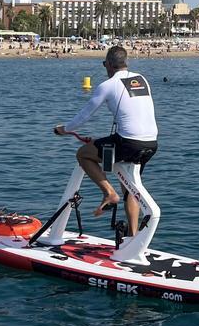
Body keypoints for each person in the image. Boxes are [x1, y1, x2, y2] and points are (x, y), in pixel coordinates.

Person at [53, 45, 158, 235]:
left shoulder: (107, 85)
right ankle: (132, 239)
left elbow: (83, 117)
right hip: (151, 144)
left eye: (104, 64)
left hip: (128, 143)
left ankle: (108, 193)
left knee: (83, 154)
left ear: (108, 64)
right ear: (126, 63)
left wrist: (63, 129)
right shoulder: (141, 79)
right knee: (130, 188)